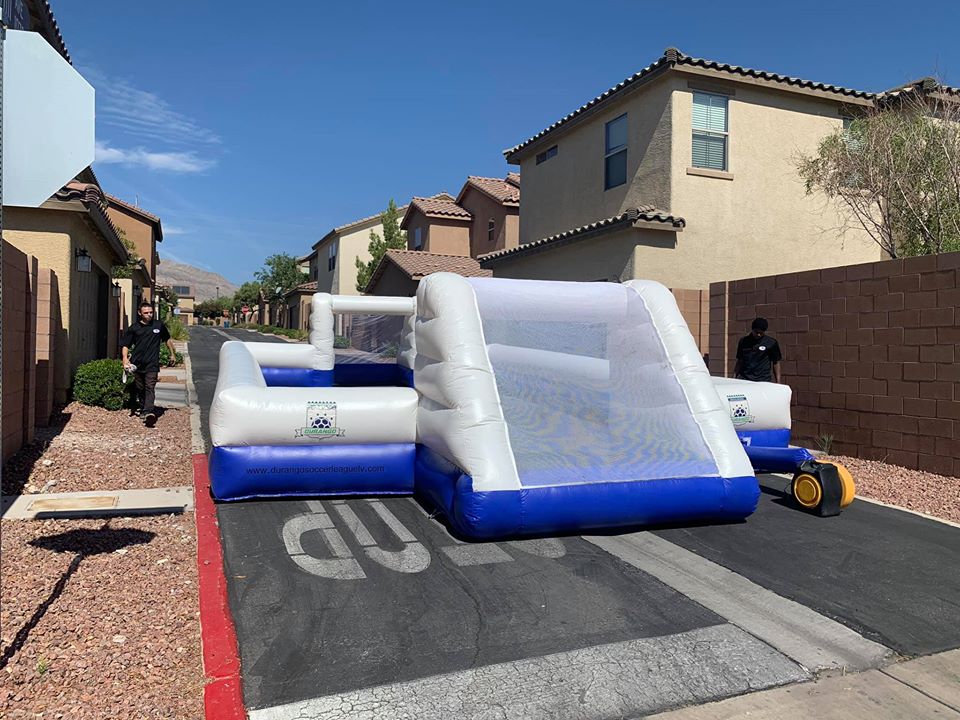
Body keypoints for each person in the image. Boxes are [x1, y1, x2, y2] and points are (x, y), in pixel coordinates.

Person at [121, 301, 176, 427]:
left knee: (150, 386)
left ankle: (148, 412)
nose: (149, 315)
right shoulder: (134, 328)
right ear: (140, 313)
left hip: (152, 363)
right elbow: (125, 345)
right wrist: (125, 359)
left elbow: (167, 339)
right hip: (137, 364)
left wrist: (172, 353)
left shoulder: (159, 325)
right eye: (146, 313)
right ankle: (142, 406)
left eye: (151, 312)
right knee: (140, 387)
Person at [734, 317, 782, 383]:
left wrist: (778, 382)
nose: (758, 335)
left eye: (761, 333)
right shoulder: (743, 342)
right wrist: (734, 378)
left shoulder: (771, 343)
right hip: (745, 379)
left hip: (763, 380)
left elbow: (776, 363)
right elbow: (739, 361)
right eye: (756, 332)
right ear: (752, 329)